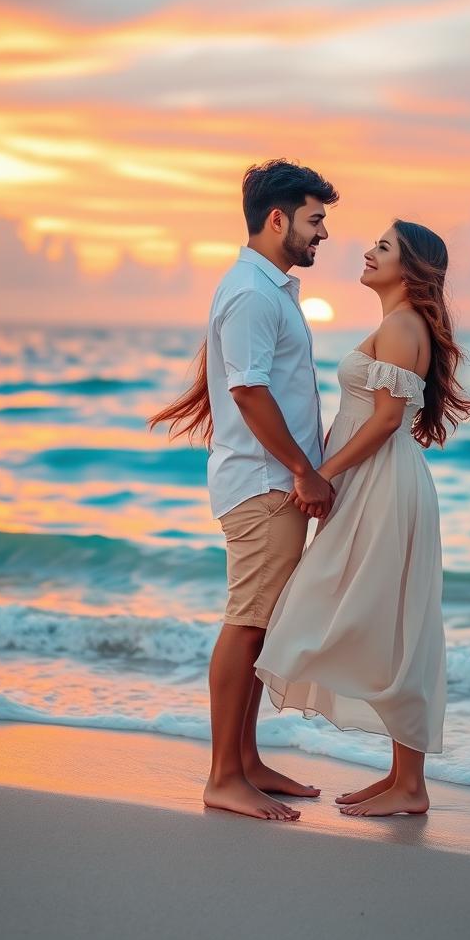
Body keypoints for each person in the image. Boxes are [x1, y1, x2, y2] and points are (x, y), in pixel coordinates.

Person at [254, 219, 470, 816]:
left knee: (393, 624)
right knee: (390, 621)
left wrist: (325, 474)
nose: (368, 252)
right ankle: (403, 779)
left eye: (383, 247)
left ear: (410, 268)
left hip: (384, 484)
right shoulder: (394, 325)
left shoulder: (403, 327)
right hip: (374, 481)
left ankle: (411, 786)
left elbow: (383, 422)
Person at [148, 158, 339, 821]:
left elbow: (241, 383)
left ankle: (246, 761)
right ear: (278, 218)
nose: (323, 234)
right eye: (315, 220)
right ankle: (223, 775)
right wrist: (303, 470)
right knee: (247, 623)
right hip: (263, 486)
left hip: (263, 480)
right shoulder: (255, 293)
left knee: (258, 626)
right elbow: (248, 390)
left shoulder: (266, 288)